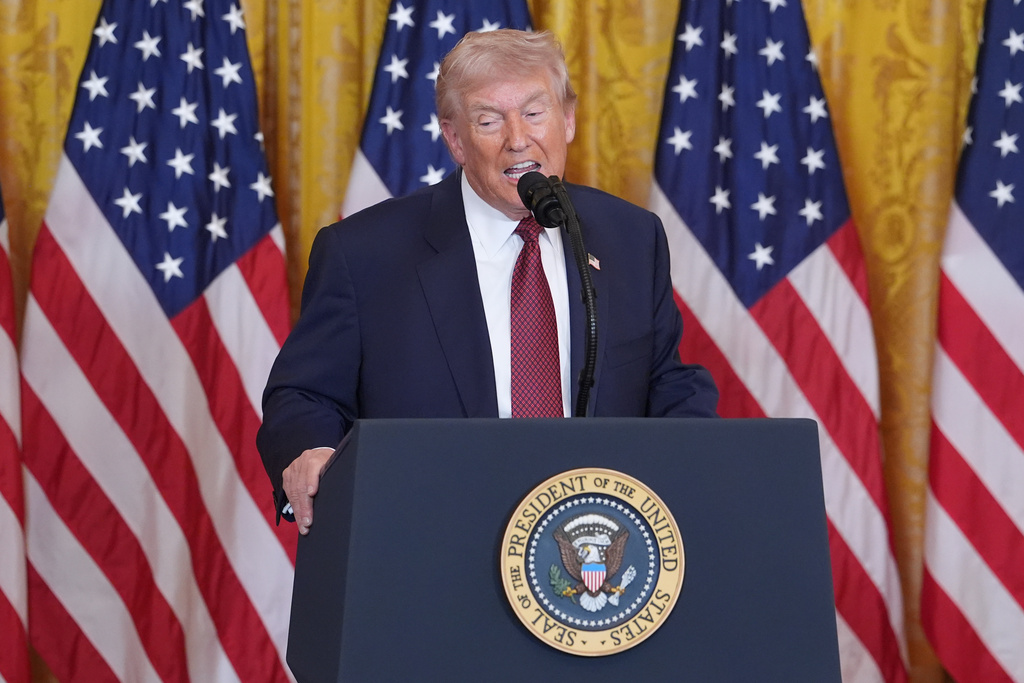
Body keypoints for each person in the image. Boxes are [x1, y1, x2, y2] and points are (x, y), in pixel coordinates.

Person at [257, 29, 718, 535]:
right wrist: (311, 451)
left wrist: (696, 462)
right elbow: (303, 395)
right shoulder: (365, 253)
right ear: (455, 139)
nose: (518, 138)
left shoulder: (630, 237)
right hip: (430, 537)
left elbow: (663, 379)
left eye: (535, 113)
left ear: (567, 120)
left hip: (593, 546)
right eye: (488, 120)